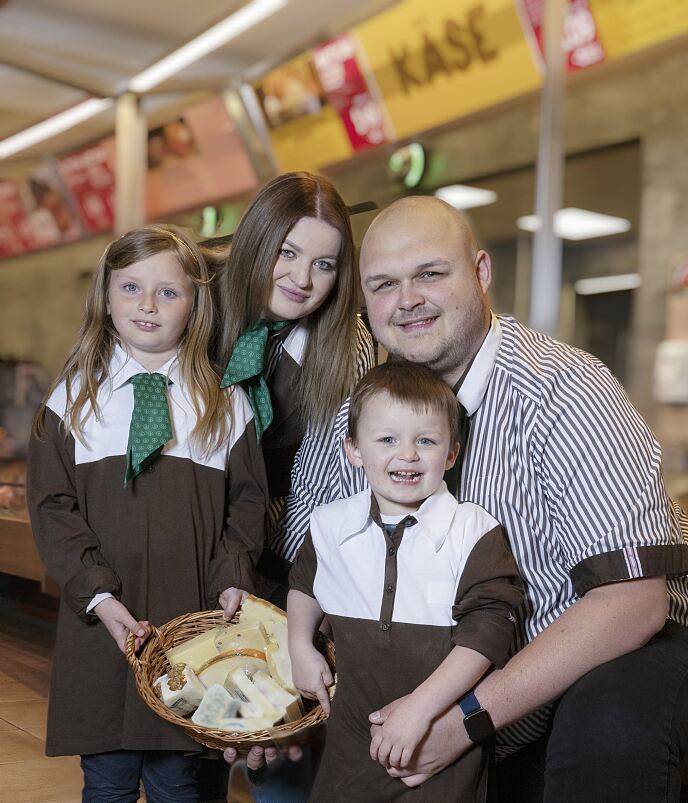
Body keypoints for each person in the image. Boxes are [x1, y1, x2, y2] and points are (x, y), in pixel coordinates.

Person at [275, 196, 688, 801]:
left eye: (431, 274)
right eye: (384, 284)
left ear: (482, 274)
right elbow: (316, 570)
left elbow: (633, 604)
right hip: (464, 676)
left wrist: (467, 717)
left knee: (608, 728)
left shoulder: (567, 389)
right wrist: (275, 699)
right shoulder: (358, 418)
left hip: (638, 644)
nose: (407, 299)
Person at [27, 224, 267, 801]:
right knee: (106, 782)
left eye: (169, 291)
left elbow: (247, 504)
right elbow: (53, 508)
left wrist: (234, 579)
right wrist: (99, 595)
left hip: (189, 629)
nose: (148, 305)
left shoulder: (224, 404)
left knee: (178, 781)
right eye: (131, 287)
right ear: (106, 296)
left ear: (196, 302)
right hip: (103, 625)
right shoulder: (72, 400)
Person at [287, 361, 524, 800]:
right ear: (354, 449)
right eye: (387, 440)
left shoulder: (475, 532)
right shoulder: (328, 526)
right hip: (347, 750)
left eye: (426, 441)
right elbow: (304, 582)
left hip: (436, 752)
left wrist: (420, 709)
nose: (408, 455)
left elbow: (488, 635)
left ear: (451, 453)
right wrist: (299, 645)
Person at [213, 171, 375, 799]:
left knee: (279, 733)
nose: (303, 279)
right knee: (194, 731)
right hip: (207, 532)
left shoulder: (348, 344)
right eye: (287, 252)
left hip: (295, 547)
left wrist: (296, 594)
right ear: (257, 242)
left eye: (325, 264)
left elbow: (325, 476)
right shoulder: (207, 317)